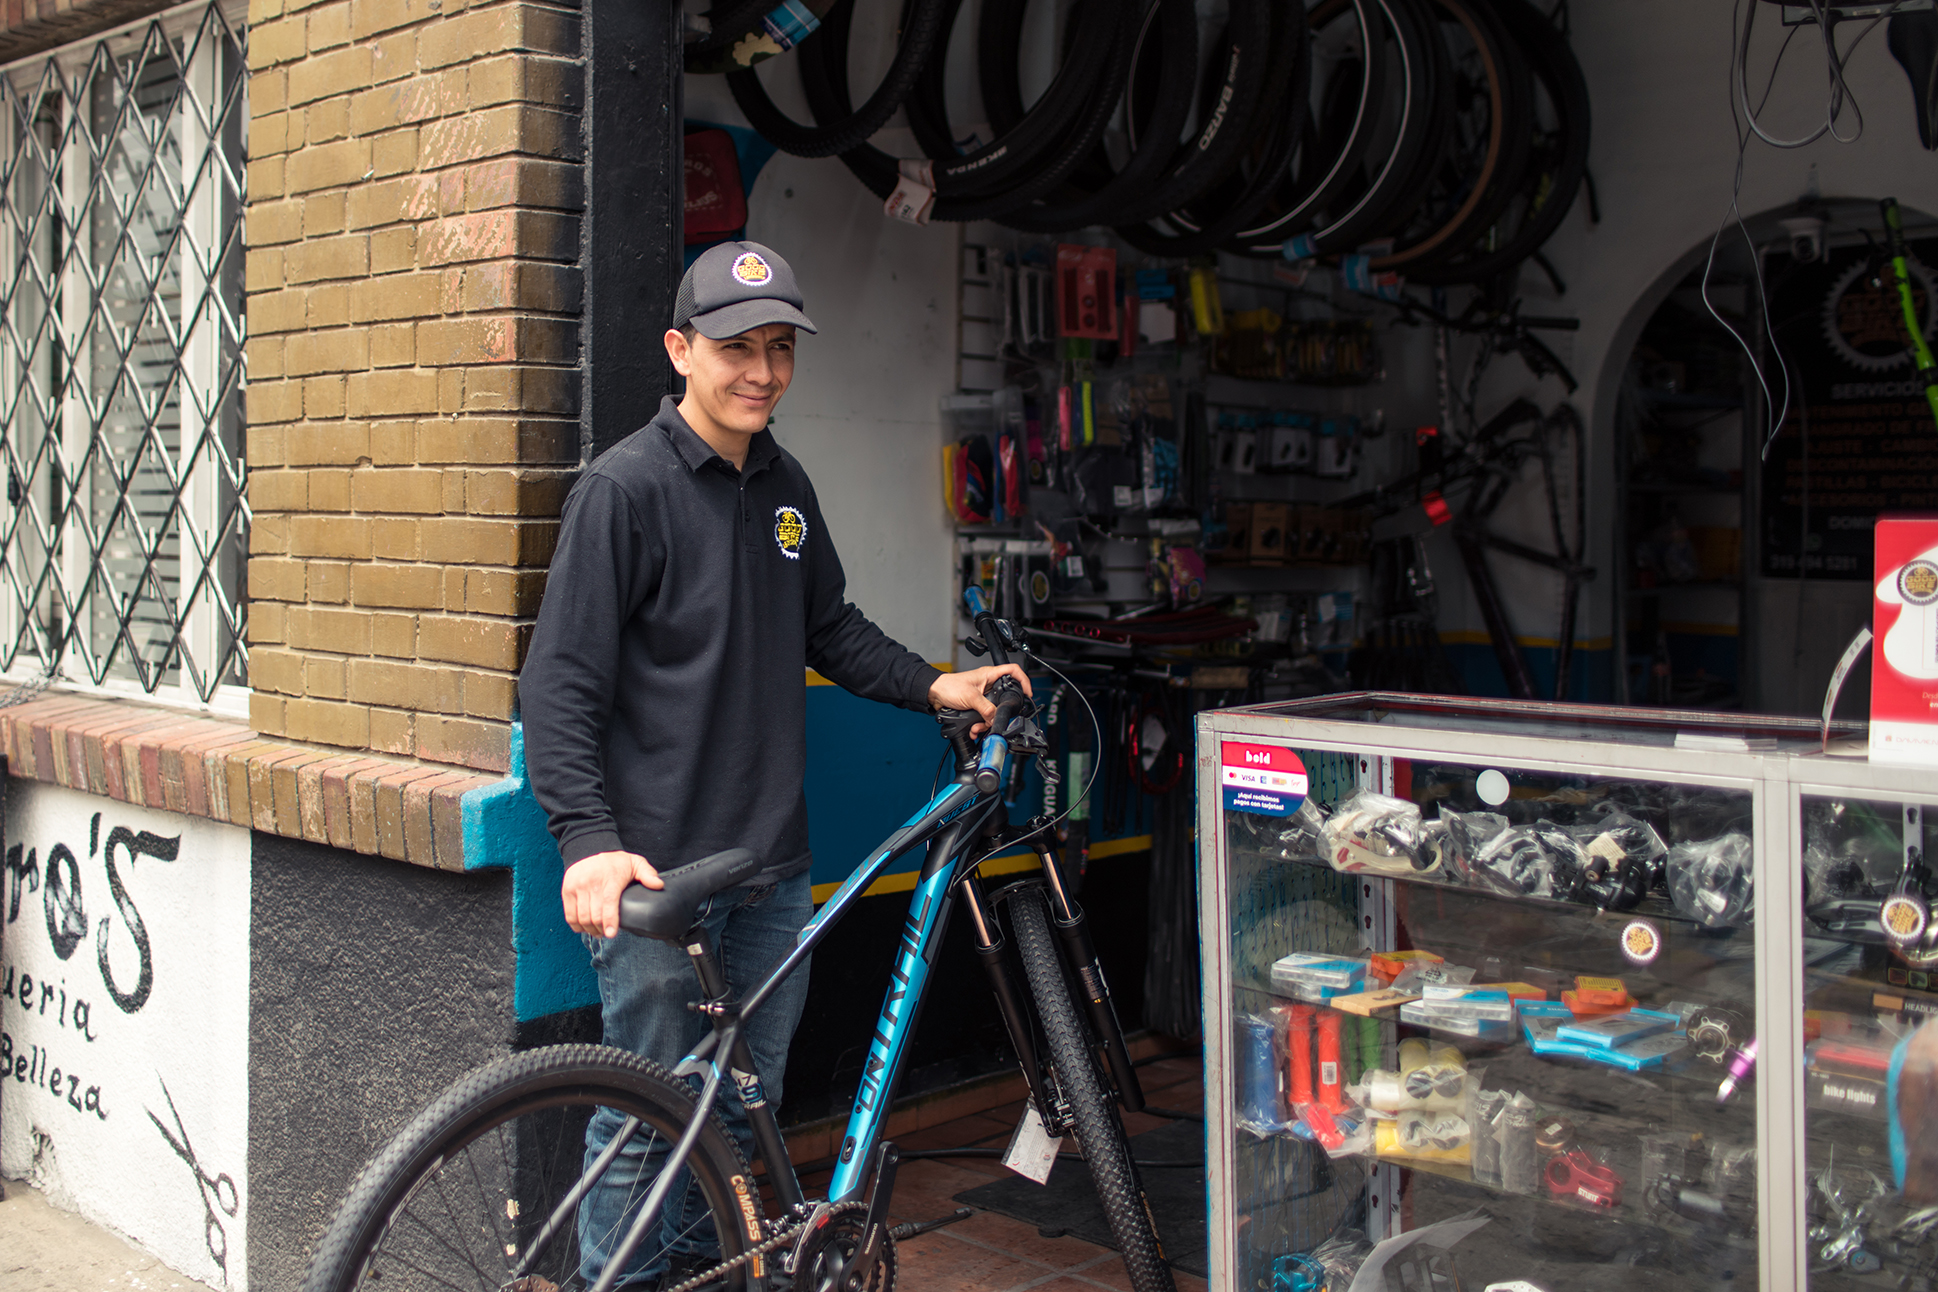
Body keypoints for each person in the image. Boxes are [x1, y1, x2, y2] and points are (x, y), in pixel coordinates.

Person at [519, 240, 1027, 1285]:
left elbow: (828, 628)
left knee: (746, 1116)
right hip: (660, 874)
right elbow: (559, 684)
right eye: (735, 347)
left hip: (772, 873)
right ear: (680, 348)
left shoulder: (786, 486)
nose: (760, 370)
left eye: (779, 348)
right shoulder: (623, 491)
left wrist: (939, 684)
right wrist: (590, 841)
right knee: (649, 1123)